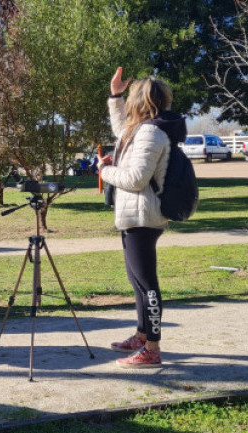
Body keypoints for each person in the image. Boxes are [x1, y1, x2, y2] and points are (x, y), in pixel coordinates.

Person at [97, 67, 185, 369]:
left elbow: (135, 178)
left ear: (142, 101)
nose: (129, 102)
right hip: (133, 216)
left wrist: (103, 170)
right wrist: (115, 96)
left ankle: (152, 348)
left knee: (147, 284)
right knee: (138, 282)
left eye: (131, 97)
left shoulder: (151, 132)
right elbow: (121, 131)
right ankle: (141, 335)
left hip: (144, 218)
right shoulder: (142, 129)